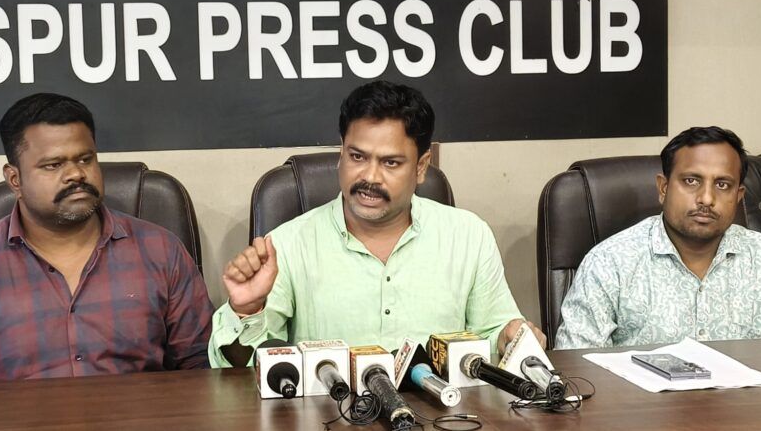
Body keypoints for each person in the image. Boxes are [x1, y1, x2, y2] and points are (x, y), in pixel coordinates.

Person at [209, 80, 543, 367]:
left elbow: (494, 336)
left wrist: (511, 338)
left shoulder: (468, 236)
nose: (369, 177)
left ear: (421, 166)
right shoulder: (288, 244)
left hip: (443, 411)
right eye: (357, 156)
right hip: (329, 413)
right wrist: (246, 310)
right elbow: (245, 367)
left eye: (391, 163)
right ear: (341, 152)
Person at [0, 93, 214, 384]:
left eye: (85, 159)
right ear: (14, 179)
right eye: (53, 165)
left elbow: (206, 367)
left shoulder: (160, 251)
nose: (76, 174)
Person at [555, 126, 761, 349]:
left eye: (722, 184)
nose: (707, 199)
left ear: (738, 196)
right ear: (663, 188)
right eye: (691, 181)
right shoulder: (609, 263)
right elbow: (578, 365)